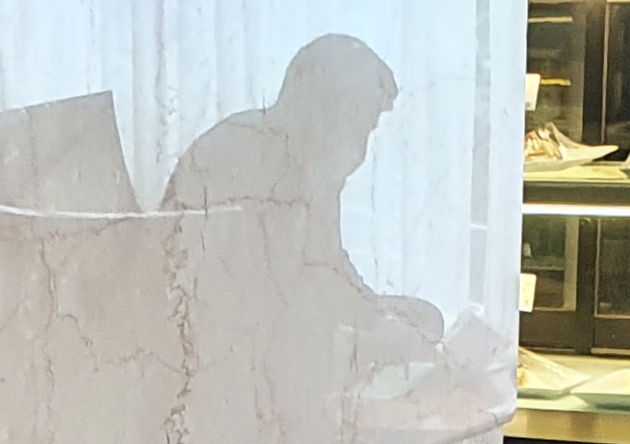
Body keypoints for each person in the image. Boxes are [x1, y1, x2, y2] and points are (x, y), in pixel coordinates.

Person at [161, 33, 446, 367]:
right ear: (333, 110)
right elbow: (271, 305)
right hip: (215, 355)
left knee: (427, 320)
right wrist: (371, 333)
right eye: (364, 126)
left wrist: (375, 308)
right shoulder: (244, 157)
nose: (361, 148)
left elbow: (325, 261)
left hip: (270, 340)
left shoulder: (310, 160)